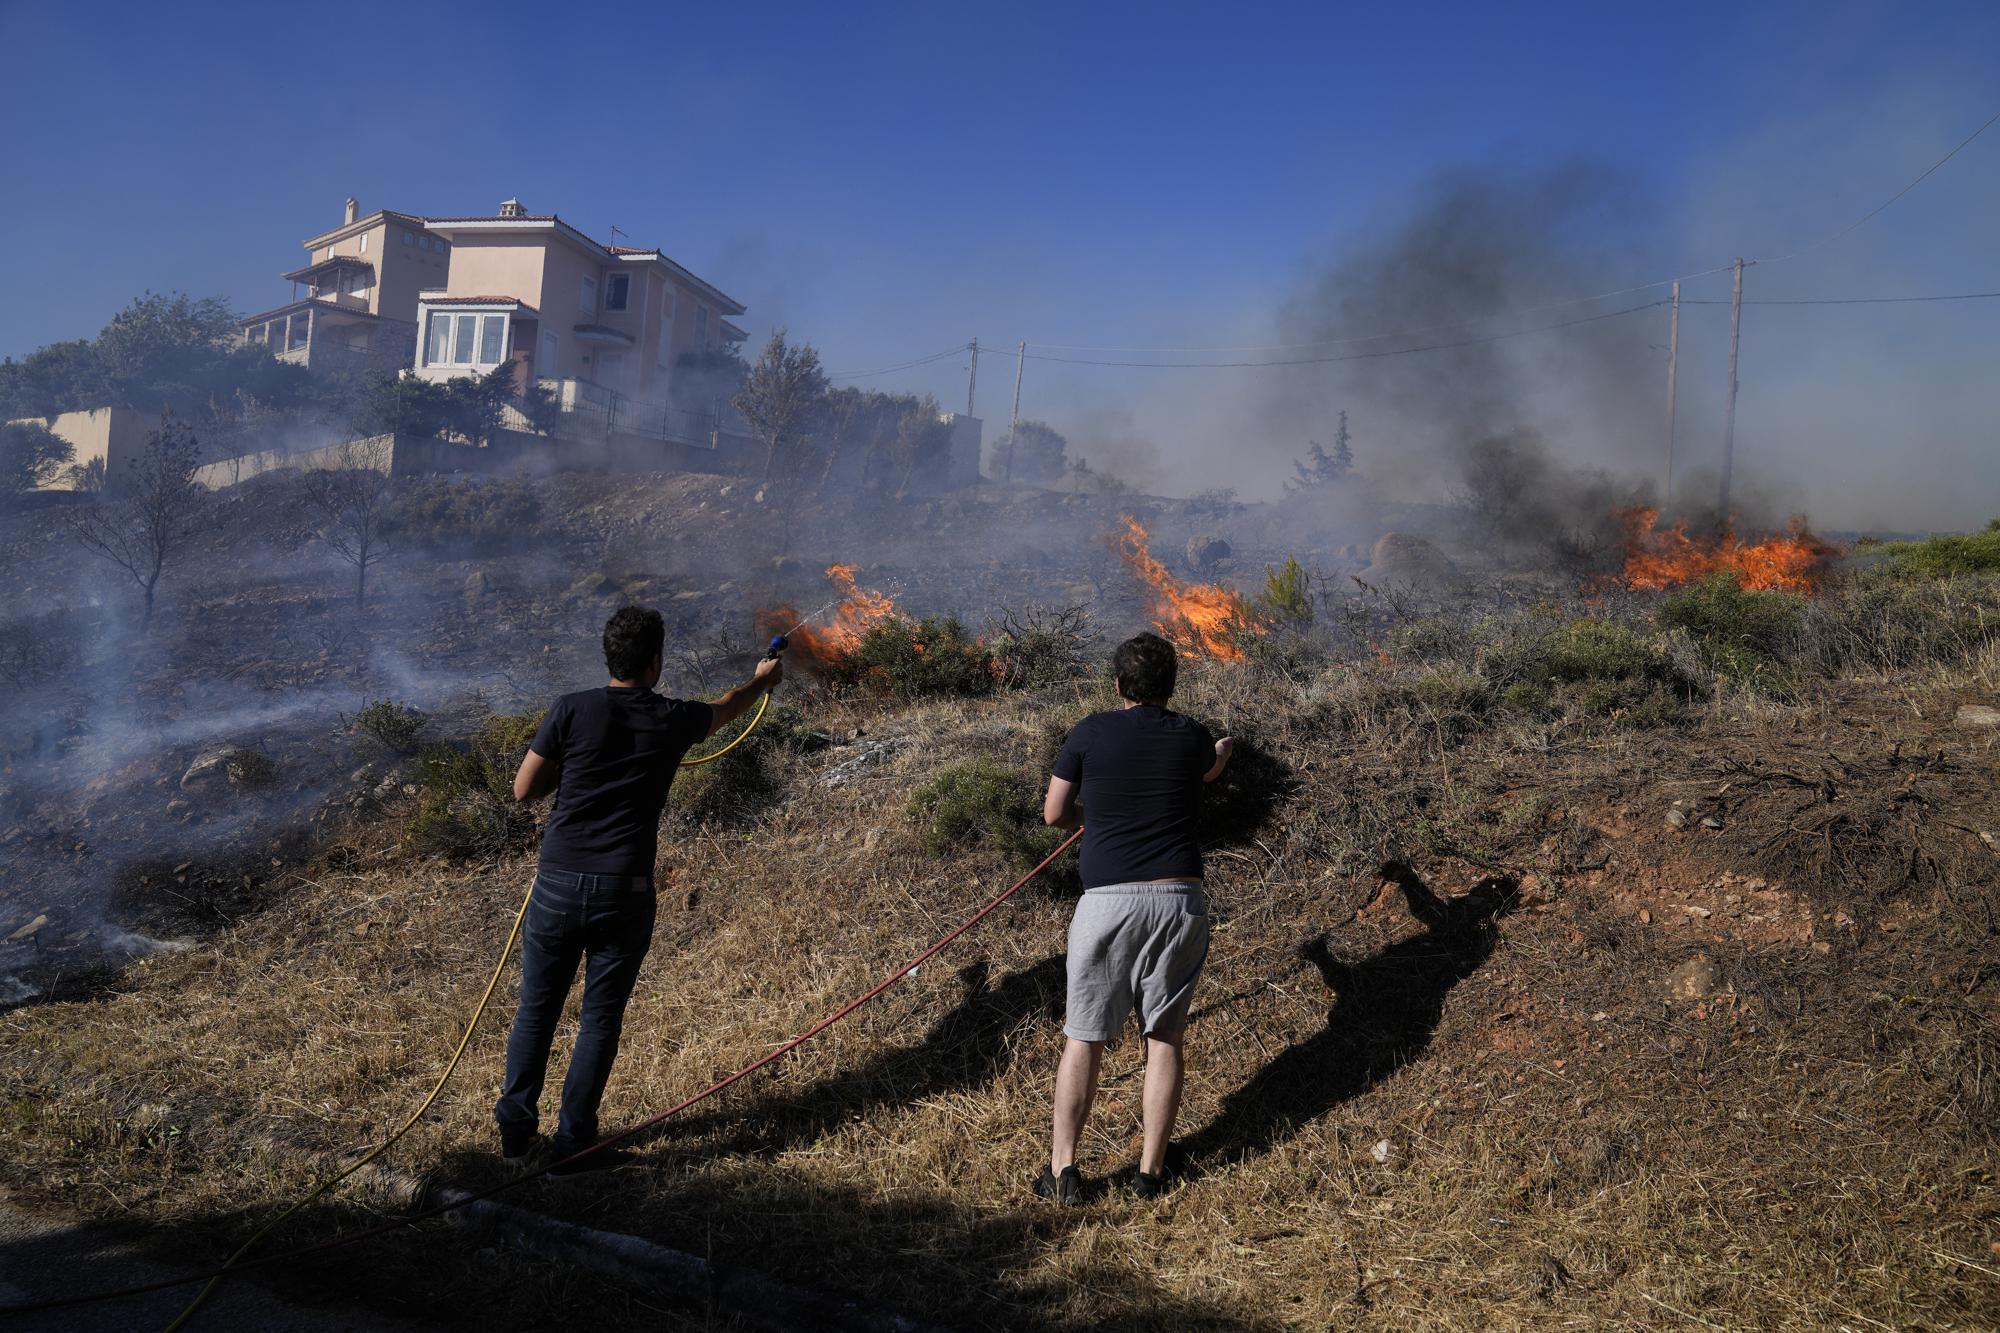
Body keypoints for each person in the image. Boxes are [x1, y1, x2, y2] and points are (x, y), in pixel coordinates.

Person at [496, 605, 781, 1172]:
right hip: (623, 891)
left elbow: (523, 790)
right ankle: (575, 1144)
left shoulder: (570, 709)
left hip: (555, 883)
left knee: (536, 1008)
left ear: (609, 657)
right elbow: (727, 709)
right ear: (655, 661)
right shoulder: (670, 718)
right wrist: (763, 679)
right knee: (599, 1017)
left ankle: (514, 1139)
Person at [1037, 632, 1232, 1203]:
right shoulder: (1191, 735)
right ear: (1170, 687)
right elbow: (1208, 773)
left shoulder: (1089, 732)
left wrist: (1091, 817)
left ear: (1118, 685)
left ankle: (1063, 1172)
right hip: (1179, 900)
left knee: (1084, 1038)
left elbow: (1053, 814)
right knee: (1165, 1038)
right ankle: (1150, 1174)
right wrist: (1221, 755)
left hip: (1108, 903)